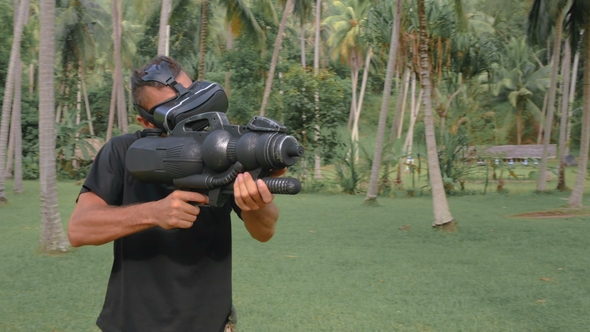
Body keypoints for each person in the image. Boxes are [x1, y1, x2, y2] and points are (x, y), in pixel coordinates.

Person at [68, 56, 284, 332]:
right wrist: (154, 213)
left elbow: (264, 231)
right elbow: (79, 229)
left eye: (192, 97)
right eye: (173, 109)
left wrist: (256, 206)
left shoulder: (223, 148)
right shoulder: (121, 152)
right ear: (146, 122)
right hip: (133, 324)